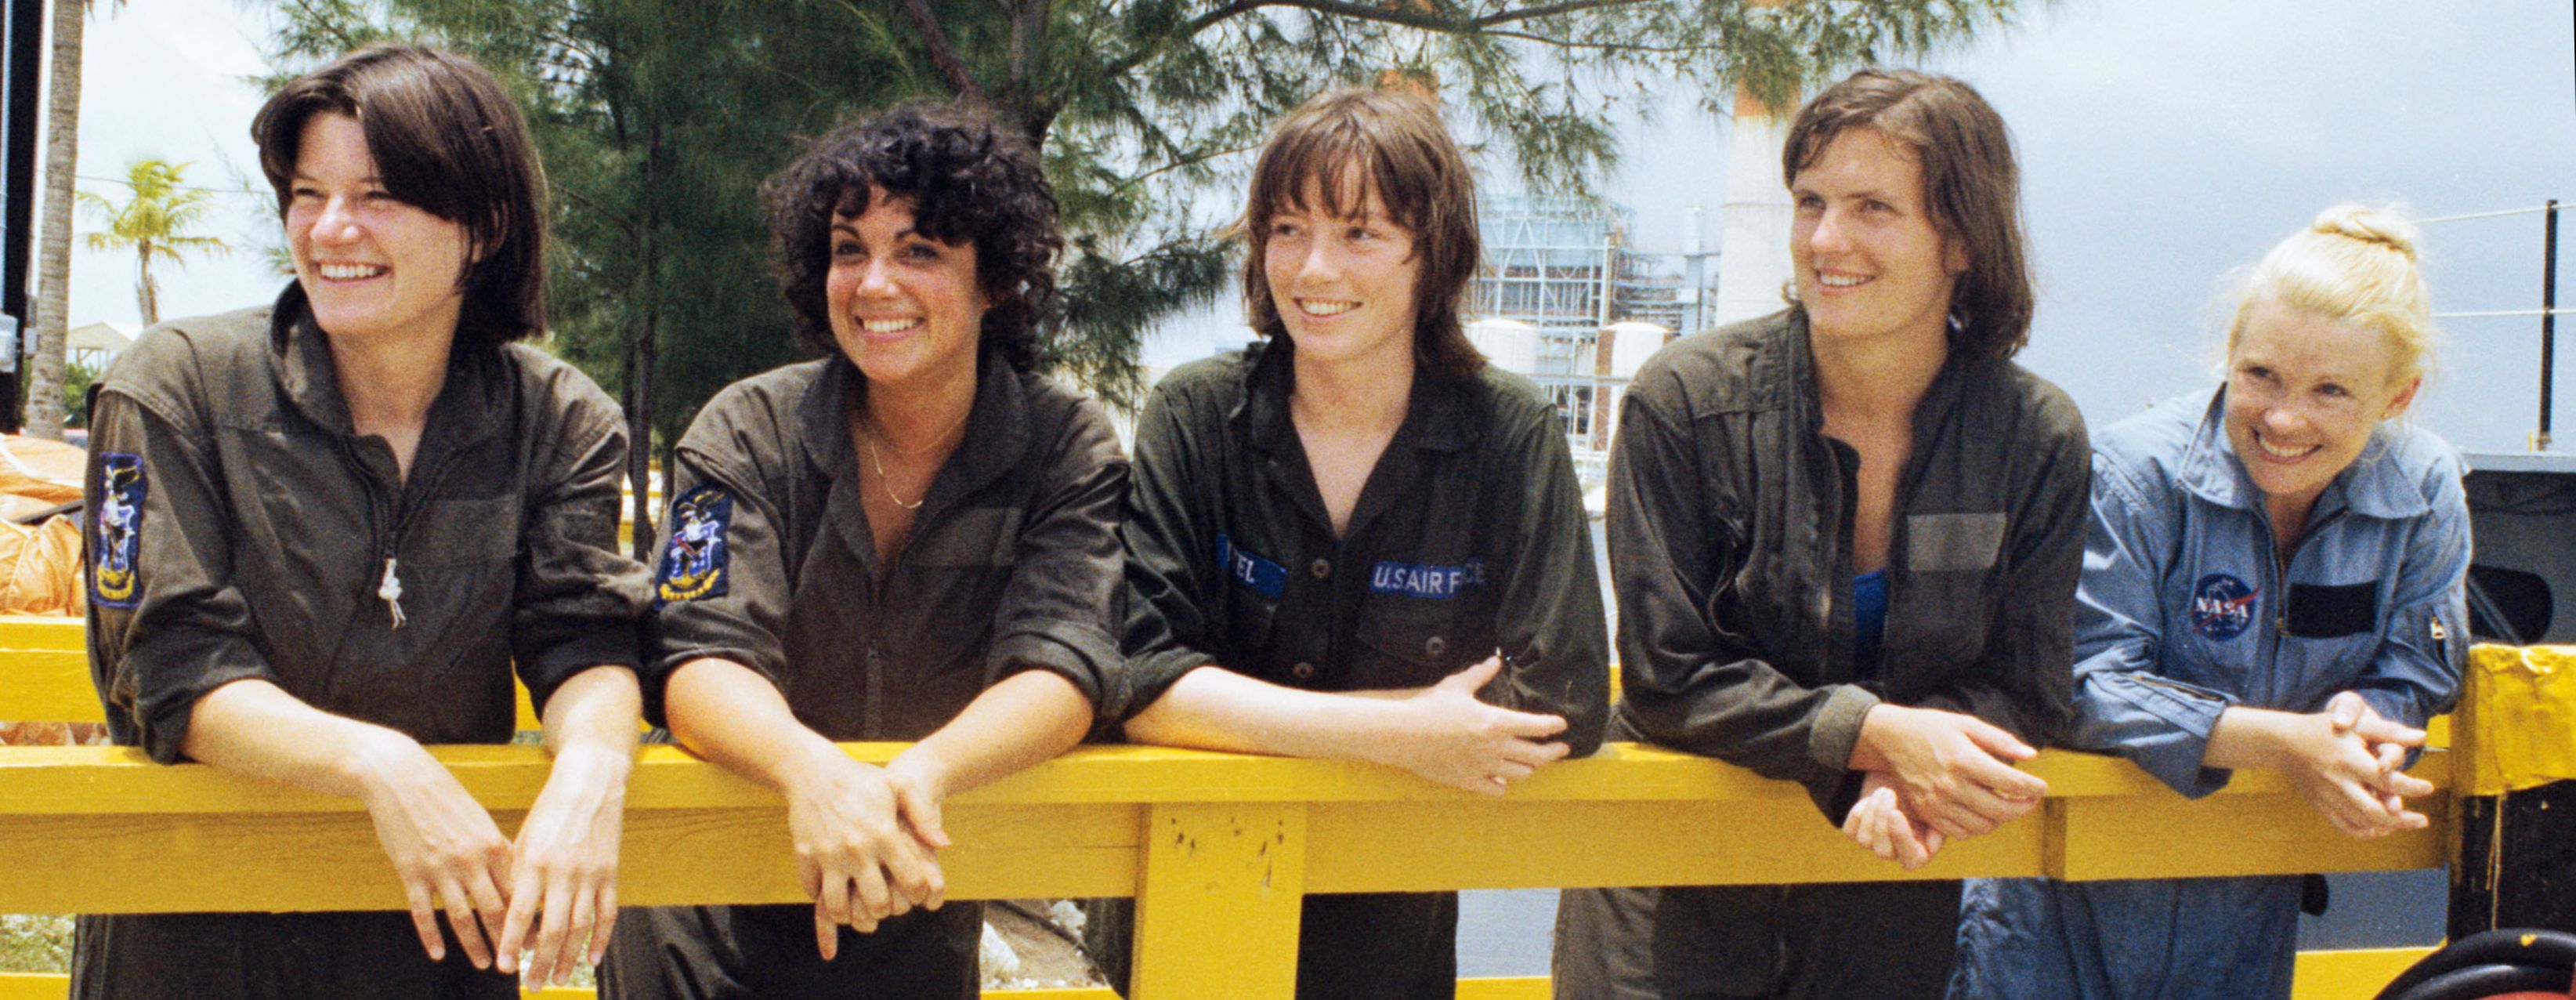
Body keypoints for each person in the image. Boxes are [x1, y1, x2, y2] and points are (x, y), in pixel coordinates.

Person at [74, 45, 648, 998]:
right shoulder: (172, 386)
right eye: (308, 193)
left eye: (378, 194)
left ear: (485, 225)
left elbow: (582, 633)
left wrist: (592, 768)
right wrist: (383, 766)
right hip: (197, 930)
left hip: (438, 938)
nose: (331, 228)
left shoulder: (560, 419)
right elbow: (173, 666)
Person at [1551, 67, 2090, 999]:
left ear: (1961, 237)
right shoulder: (1685, 403)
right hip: (1671, 892)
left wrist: (1904, 772)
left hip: (1886, 873)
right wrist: (1878, 736)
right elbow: (1669, 673)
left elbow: (2026, 683)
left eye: (1873, 207)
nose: (1826, 241)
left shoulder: (2033, 438)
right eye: (1809, 202)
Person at [1084, 85, 1609, 999]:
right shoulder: (1196, 413)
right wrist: (1411, 730)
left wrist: (1228, 710)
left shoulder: (1507, 432)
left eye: (1360, 233)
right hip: (1183, 910)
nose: (1314, 267)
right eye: (1287, 229)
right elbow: (1138, 675)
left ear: (1430, 257)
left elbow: (1562, 693)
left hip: (1389, 935)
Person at [597, 100, 1127, 998]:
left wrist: (919, 772)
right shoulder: (743, 430)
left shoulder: (1064, 444)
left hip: (914, 913)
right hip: (698, 927)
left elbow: (1066, 663)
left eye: (918, 250)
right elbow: (697, 651)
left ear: (992, 277)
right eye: (850, 249)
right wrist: (813, 772)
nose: (875, 281)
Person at [1948, 205, 2467, 1000]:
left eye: (2332, 390)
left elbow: (2422, 668)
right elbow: (2080, 680)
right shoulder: (2133, 473)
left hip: (2242, 908)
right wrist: (2290, 744)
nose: (2284, 418)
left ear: (2399, 397)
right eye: (2261, 375)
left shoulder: (2424, 488)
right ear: (2228, 352)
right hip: (2058, 914)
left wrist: (2365, 716)